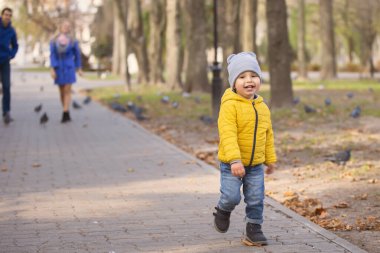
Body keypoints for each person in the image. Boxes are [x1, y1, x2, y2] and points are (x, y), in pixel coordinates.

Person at [213, 52, 277, 246]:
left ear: (259, 80)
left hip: (256, 164)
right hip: (231, 163)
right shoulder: (230, 106)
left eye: (253, 76)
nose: (248, 80)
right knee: (232, 196)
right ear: (234, 83)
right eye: (242, 77)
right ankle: (223, 210)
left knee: (256, 198)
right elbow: (227, 134)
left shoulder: (262, 107)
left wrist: (270, 158)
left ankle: (254, 229)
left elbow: (268, 134)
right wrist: (234, 160)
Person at [50, 20, 82, 123]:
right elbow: (52, 55)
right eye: (64, 26)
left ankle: (65, 112)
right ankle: (66, 110)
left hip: (69, 67)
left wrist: (79, 68)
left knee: (67, 90)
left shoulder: (73, 41)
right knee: (62, 91)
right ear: (60, 27)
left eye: (68, 26)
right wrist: (52, 69)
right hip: (58, 67)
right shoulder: (54, 40)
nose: (66, 28)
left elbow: (77, 55)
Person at [0, 7, 18, 124]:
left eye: (9, 15)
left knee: (6, 87)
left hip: (5, 61)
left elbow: (15, 45)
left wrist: (11, 55)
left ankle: (6, 112)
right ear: (2, 15)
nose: (7, 17)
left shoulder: (11, 30)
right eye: (6, 14)